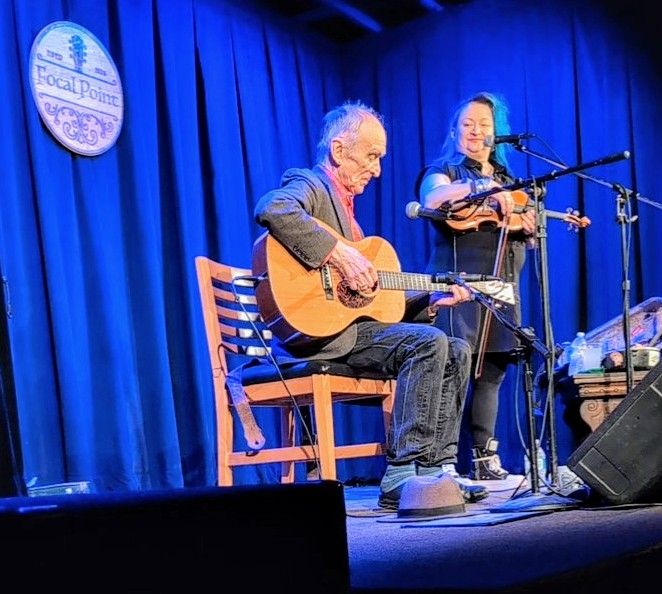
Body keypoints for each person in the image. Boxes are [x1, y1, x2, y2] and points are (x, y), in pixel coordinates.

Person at [254, 100, 488, 508]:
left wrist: (431, 300)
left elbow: (380, 307)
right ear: (339, 151)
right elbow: (273, 207)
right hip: (318, 334)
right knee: (428, 343)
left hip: (352, 330)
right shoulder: (311, 184)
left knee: (457, 348)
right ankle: (403, 472)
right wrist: (337, 253)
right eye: (371, 156)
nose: (377, 169)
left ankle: (437, 468)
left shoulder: (350, 215)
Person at [415, 92, 536, 480]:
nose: (476, 132)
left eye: (485, 126)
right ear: (454, 131)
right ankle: (441, 460)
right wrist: (478, 190)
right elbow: (432, 198)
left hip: (501, 287)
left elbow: (527, 226)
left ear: (496, 134)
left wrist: (525, 223)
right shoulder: (445, 171)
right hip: (457, 286)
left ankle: (485, 458)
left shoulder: (509, 182)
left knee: (493, 372)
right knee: (456, 366)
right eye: (467, 124)